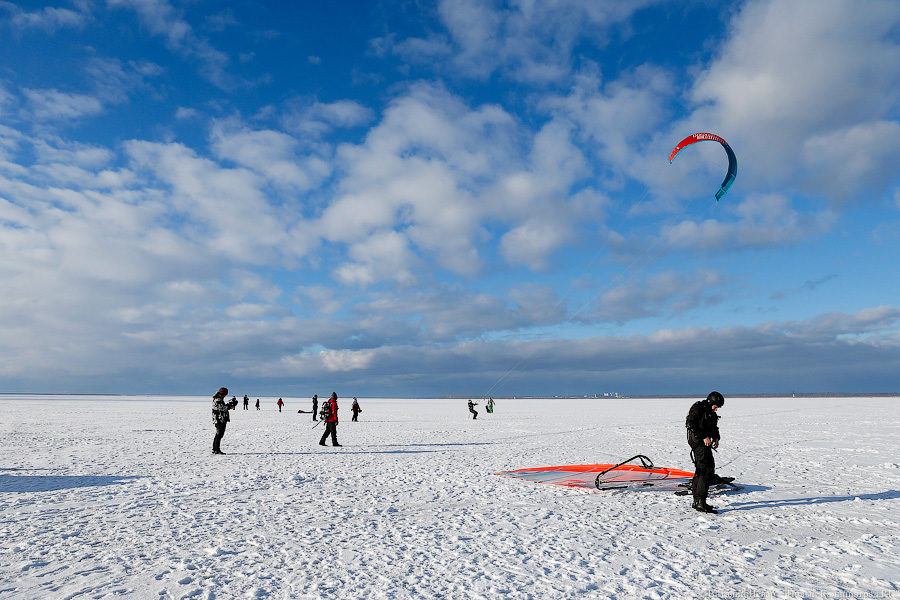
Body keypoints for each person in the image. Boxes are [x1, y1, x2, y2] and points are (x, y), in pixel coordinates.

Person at [685, 391, 725, 514]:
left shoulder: (710, 413)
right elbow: (690, 424)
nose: (716, 409)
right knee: (705, 471)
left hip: (704, 443)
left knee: (704, 470)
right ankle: (700, 502)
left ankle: (697, 501)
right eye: (716, 406)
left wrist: (716, 438)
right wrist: (703, 437)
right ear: (711, 401)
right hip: (698, 442)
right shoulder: (698, 408)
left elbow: (713, 427)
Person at [212, 387, 237, 455]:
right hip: (219, 419)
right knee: (219, 434)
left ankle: (215, 449)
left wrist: (230, 405)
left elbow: (222, 407)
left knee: (218, 434)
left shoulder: (218, 398)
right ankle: (216, 450)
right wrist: (230, 405)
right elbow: (222, 408)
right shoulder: (218, 399)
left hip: (219, 418)